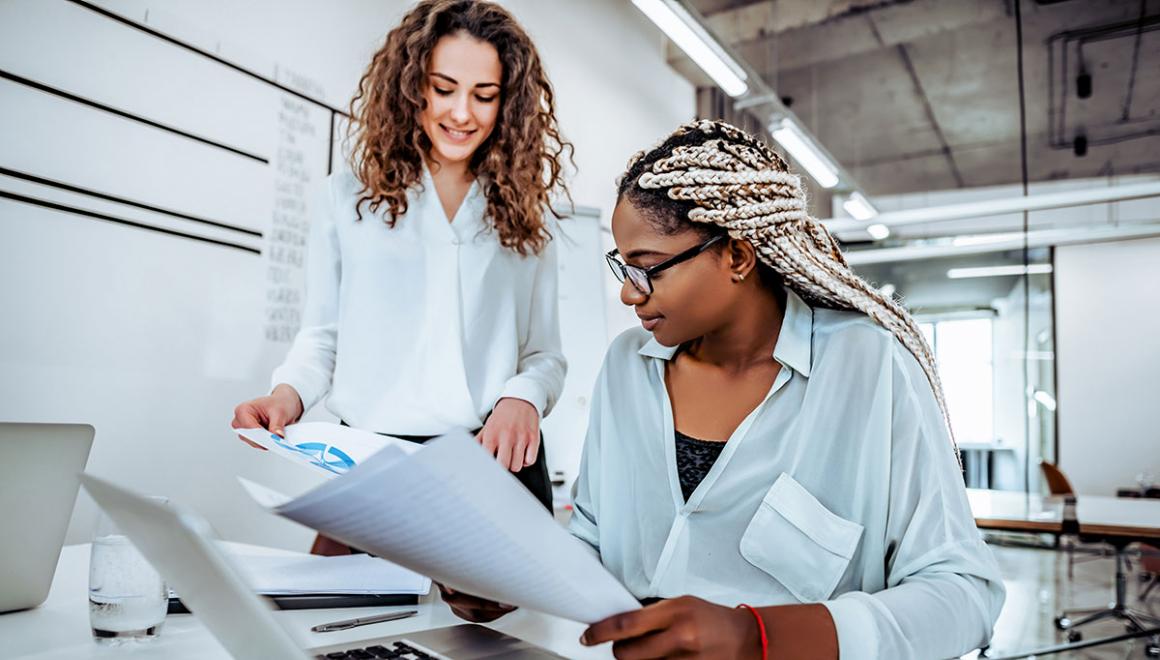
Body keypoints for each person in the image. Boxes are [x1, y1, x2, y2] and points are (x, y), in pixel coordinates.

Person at [442, 120, 1004, 659]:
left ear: (736, 255)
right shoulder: (626, 368)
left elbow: (963, 592)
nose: (629, 295)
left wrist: (758, 638)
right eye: (624, 267)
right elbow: (591, 542)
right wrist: (513, 580)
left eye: (650, 268)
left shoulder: (872, 369)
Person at [231, 0, 571, 520]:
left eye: (484, 96)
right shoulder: (347, 198)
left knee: (497, 605)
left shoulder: (527, 214)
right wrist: (287, 396)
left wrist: (522, 397)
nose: (461, 113)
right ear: (412, 87)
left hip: (494, 461)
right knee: (370, 602)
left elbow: (544, 353)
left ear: (508, 104)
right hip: (375, 462)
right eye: (443, 88)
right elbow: (323, 336)